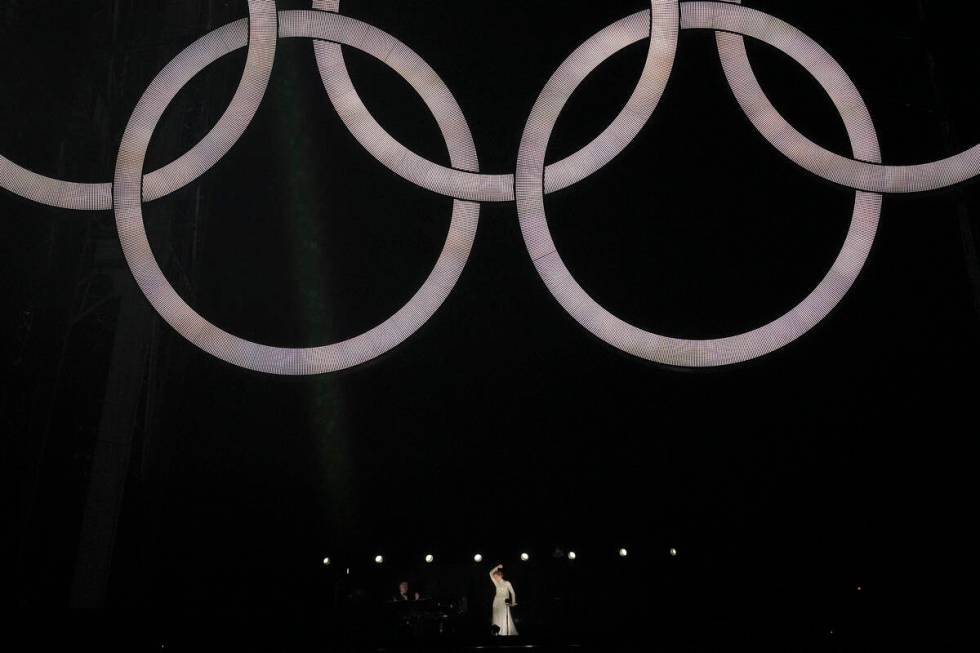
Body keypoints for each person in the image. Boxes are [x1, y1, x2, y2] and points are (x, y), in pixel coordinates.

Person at [488, 564, 518, 636]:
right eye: (494, 577)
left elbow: (513, 593)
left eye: (496, 577)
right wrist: (497, 567)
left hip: (504, 602)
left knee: (504, 616)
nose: (495, 578)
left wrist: (513, 602)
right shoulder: (496, 583)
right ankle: (496, 632)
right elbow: (490, 573)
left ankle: (504, 632)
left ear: (500, 576)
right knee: (496, 617)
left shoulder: (507, 583)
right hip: (496, 602)